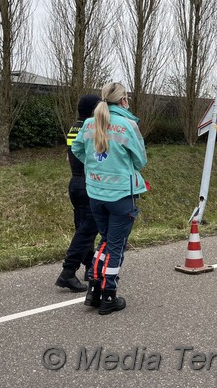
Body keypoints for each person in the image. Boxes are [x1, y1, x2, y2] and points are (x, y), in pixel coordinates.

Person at [72, 82, 148, 315]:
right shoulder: (128, 125)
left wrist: (96, 169)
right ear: (123, 100)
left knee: (104, 241)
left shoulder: (87, 124)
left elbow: (77, 150)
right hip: (121, 197)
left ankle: (93, 290)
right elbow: (140, 161)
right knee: (115, 246)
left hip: (95, 194)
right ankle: (108, 295)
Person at [55, 94, 100, 292]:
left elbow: (69, 157)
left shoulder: (74, 127)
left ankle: (90, 267)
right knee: (88, 229)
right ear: (93, 110)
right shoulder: (89, 127)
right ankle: (68, 272)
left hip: (75, 182)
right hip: (86, 183)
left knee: (83, 227)